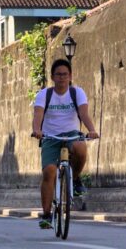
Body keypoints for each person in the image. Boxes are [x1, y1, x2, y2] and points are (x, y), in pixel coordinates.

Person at [31, 59, 99, 230]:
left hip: (71, 134)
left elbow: (83, 113)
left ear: (70, 76)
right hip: (50, 137)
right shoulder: (44, 95)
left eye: (65, 74)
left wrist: (91, 129)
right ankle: (46, 215)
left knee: (80, 147)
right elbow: (37, 115)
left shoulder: (77, 93)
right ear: (53, 77)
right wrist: (37, 130)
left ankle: (75, 179)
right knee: (49, 172)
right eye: (58, 74)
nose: (62, 78)